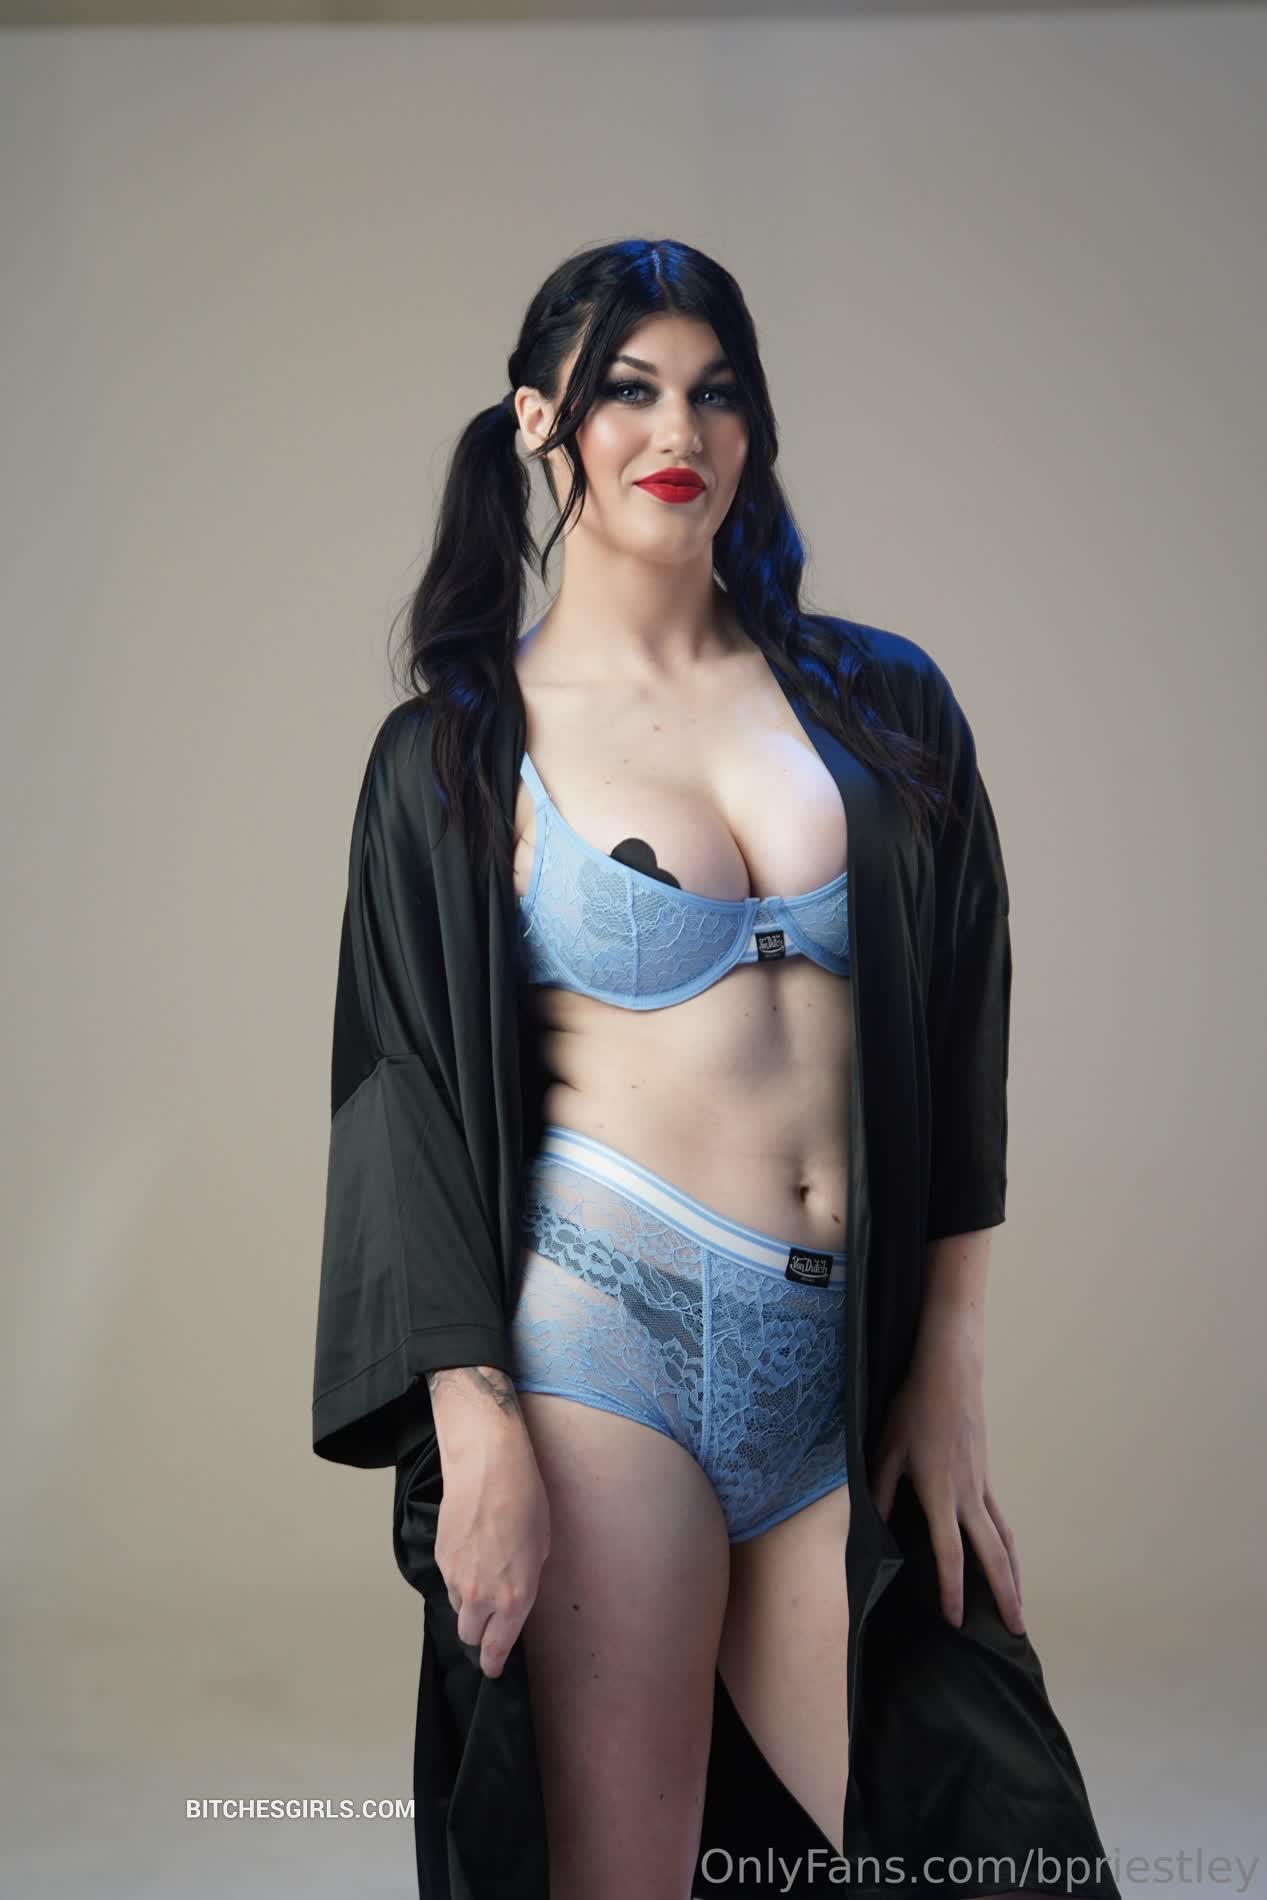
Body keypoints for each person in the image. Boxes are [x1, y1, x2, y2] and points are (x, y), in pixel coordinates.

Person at [313, 236, 1120, 1900]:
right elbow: (403, 1103)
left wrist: (949, 1373)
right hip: (603, 1345)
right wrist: (476, 1425)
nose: (678, 428)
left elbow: (965, 1023)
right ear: (539, 421)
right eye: (628, 389)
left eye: (715, 391)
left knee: (998, 1841)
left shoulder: (884, 705)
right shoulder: (460, 752)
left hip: (840, 1361)